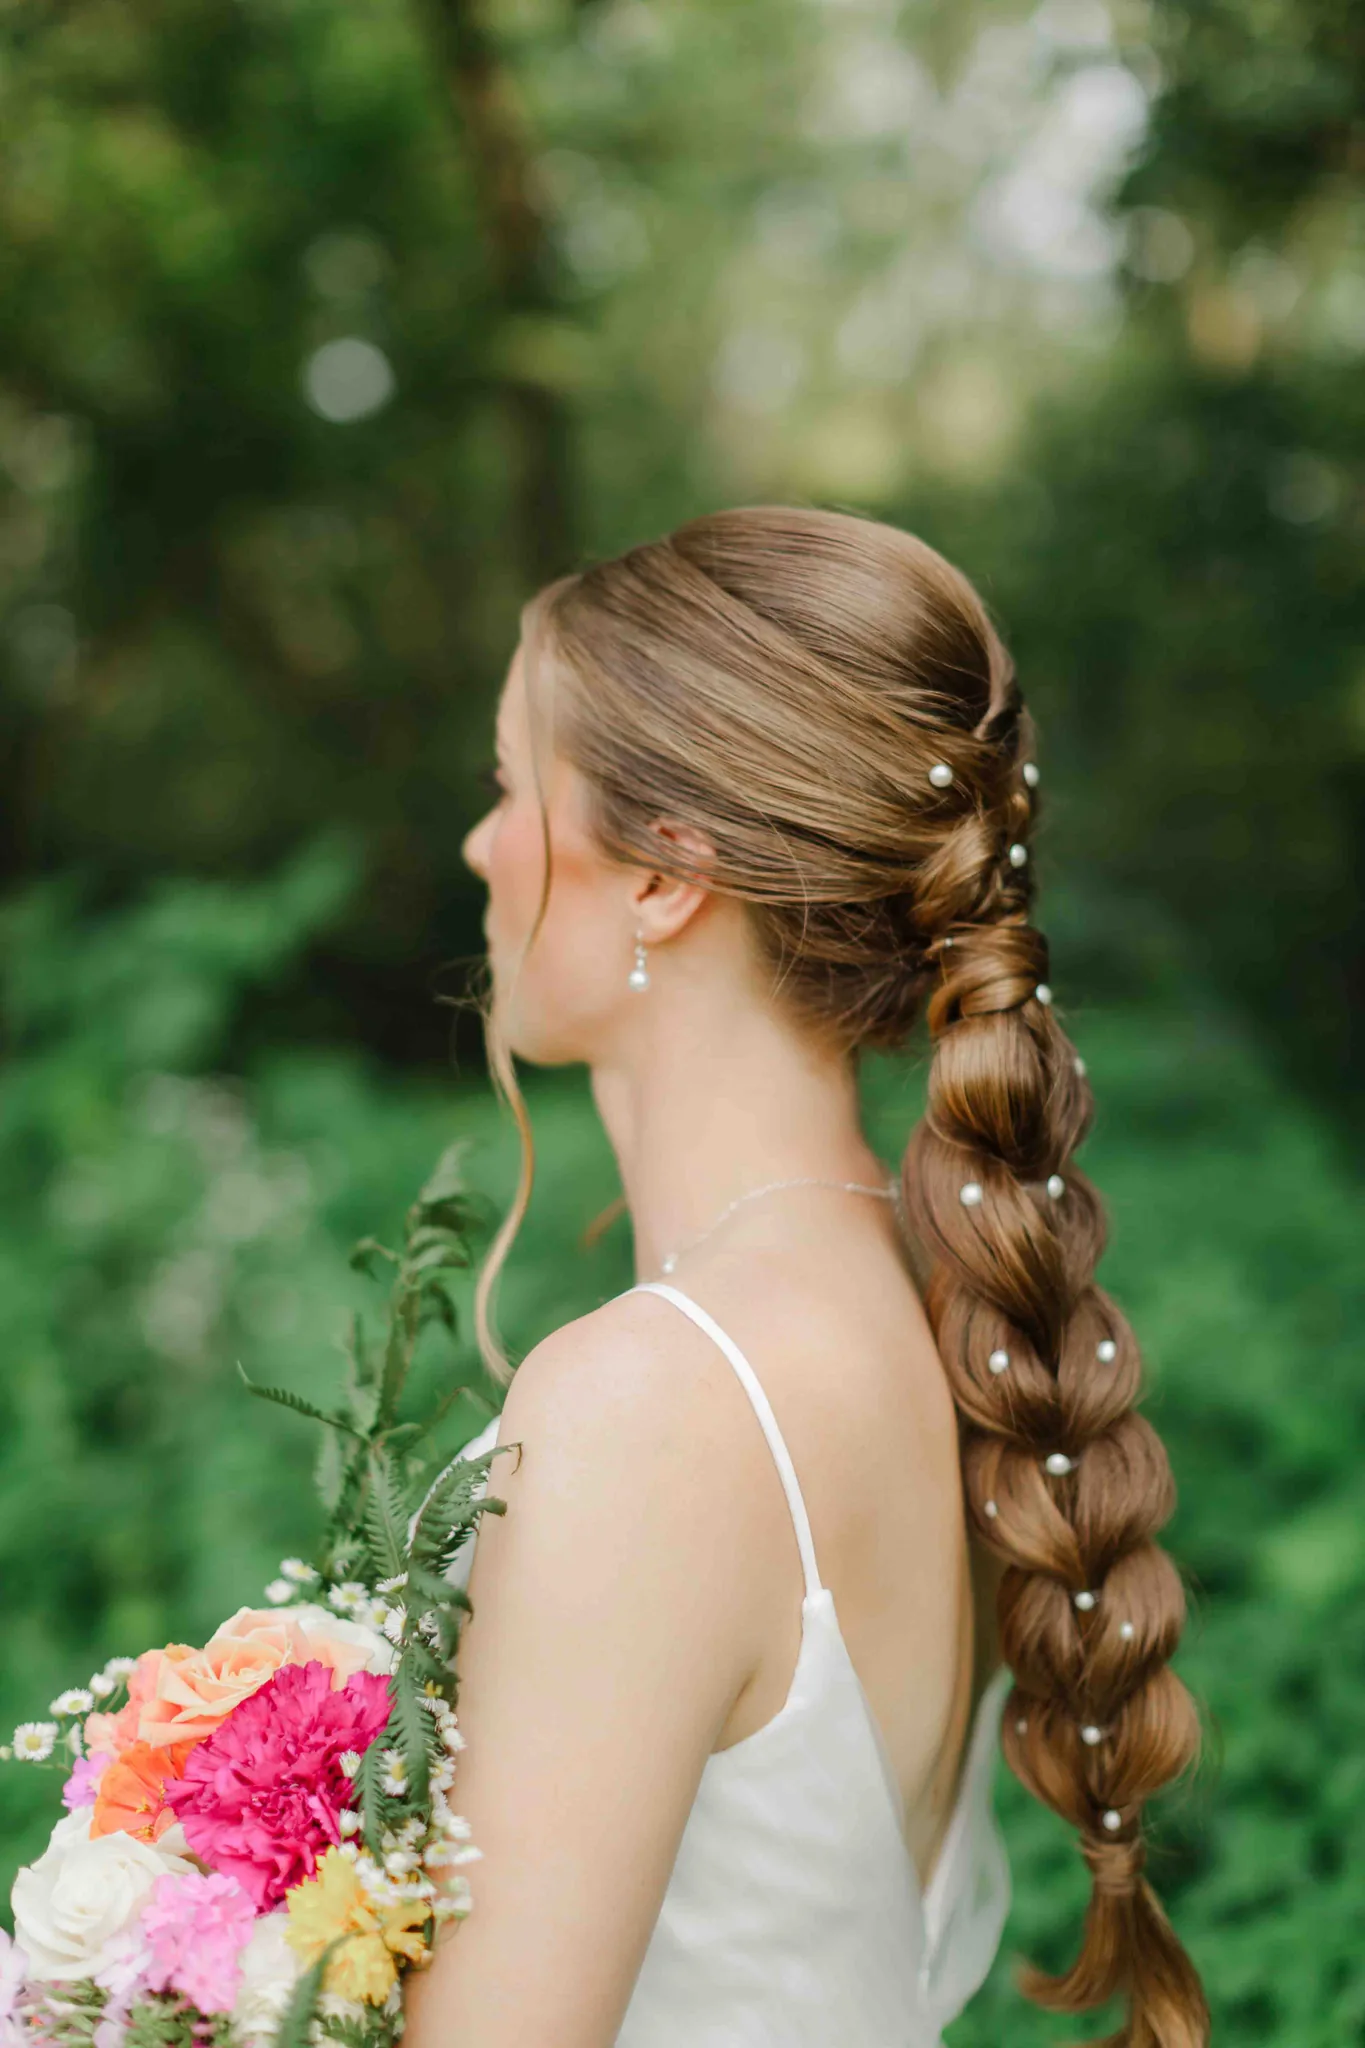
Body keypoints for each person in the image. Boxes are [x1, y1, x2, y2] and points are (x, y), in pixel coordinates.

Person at [400, 506, 1207, 2047]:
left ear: (663, 878)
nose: (480, 844)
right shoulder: (934, 1313)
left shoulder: (654, 1406)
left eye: (511, 786)